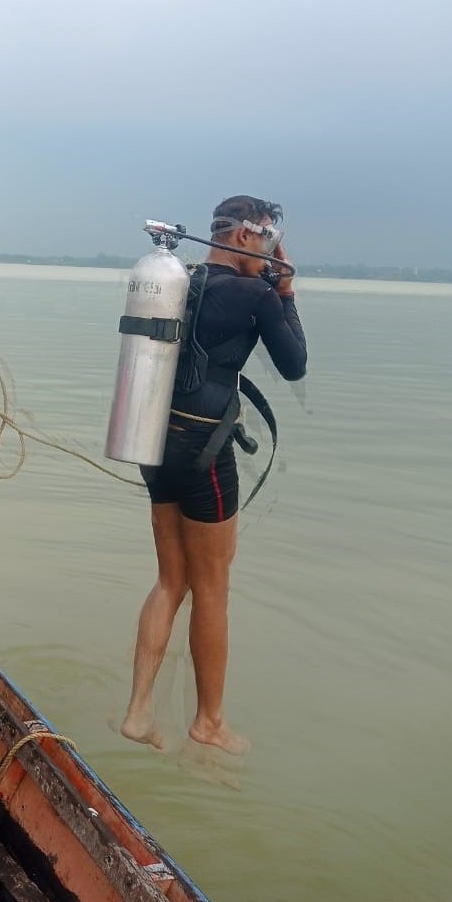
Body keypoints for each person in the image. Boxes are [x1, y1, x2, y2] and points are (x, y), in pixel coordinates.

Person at [121, 196, 307, 756]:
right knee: (214, 589)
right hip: (205, 450)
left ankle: (138, 713)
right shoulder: (256, 295)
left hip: (152, 438)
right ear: (248, 236)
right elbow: (295, 363)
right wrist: (287, 292)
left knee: (170, 579)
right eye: (270, 241)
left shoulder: (180, 279)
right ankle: (209, 721)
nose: (273, 252)